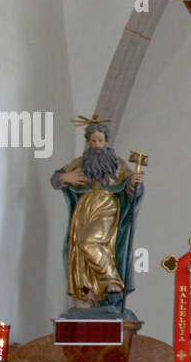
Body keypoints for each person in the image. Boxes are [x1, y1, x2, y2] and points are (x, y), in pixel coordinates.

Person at [50, 119, 144, 309]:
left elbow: (131, 192)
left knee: (89, 242)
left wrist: (134, 183)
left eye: (100, 141)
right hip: (84, 208)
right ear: (88, 142)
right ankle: (89, 294)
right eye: (93, 141)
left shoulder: (118, 165)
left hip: (107, 206)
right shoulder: (80, 163)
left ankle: (113, 283)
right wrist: (64, 178)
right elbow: (56, 179)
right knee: (80, 250)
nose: (97, 145)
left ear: (106, 141)